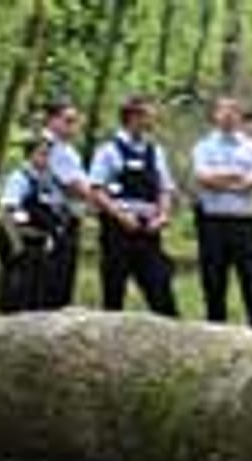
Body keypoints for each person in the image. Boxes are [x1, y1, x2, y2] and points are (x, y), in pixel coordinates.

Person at [89, 95, 179, 316]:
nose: (152, 120)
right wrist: (120, 216)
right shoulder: (108, 151)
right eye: (148, 115)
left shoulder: (155, 152)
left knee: (160, 289)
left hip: (149, 228)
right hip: (117, 228)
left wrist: (163, 215)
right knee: (114, 289)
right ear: (133, 117)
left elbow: (165, 188)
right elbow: (96, 190)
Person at [192, 96, 252, 331]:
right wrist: (238, 178)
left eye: (233, 111)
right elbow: (203, 177)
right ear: (215, 116)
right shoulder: (203, 146)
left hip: (245, 222)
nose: (228, 116)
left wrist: (223, 179)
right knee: (213, 278)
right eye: (223, 111)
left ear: (240, 117)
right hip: (212, 221)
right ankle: (215, 327)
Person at [0, 133, 69, 313]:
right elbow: (7, 212)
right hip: (22, 242)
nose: (46, 159)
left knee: (39, 294)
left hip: (41, 244)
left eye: (48, 154)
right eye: (42, 154)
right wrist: (17, 247)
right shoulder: (20, 178)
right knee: (18, 293)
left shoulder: (47, 181)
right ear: (30, 155)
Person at [39, 100, 102, 309]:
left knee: (63, 276)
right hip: (55, 218)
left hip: (67, 218)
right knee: (54, 279)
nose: (73, 126)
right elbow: (74, 185)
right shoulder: (49, 147)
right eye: (67, 121)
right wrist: (102, 201)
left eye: (75, 121)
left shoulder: (65, 149)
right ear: (51, 120)